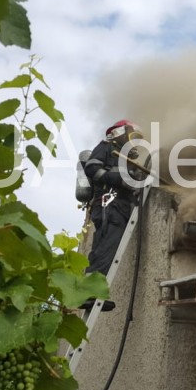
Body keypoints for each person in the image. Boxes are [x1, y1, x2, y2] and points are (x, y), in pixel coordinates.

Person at [80, 120, 146, 310]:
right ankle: (91, 294)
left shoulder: (130, 158)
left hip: (121, 206)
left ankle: (91, 291)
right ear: (120, 133)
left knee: (107, 247)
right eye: (133, 136)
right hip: (110, 203)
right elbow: (92, 168)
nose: (134, 143)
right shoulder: (107, 147)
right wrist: (119, 179)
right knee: (107, 247)